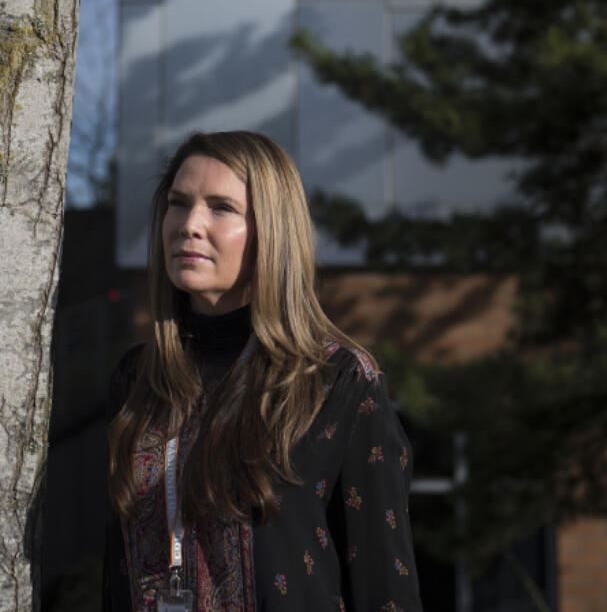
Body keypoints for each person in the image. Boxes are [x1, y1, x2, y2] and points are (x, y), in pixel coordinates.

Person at [103, 131, 423, 612]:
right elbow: (116, 573)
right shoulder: (139, 379)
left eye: (221, 208)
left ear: (271, 229)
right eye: (178, 203)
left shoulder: (337, 379)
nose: (190, 224)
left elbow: (386, 587)